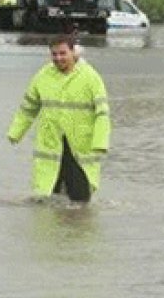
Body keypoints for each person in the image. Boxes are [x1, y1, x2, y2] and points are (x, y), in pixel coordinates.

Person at [7, 35, 111, 204]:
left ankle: (77, 230)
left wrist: (101, 142)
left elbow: (102, 114)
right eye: (54, 54)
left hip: (79, 147)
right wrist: (15, 132)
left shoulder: (91, 77)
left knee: (80, 201)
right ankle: (54, 231)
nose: (58, 58)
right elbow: (28, 108)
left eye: (63, 53)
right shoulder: (42, 76)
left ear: (73, 52)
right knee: (49, 199)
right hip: (51, 145)